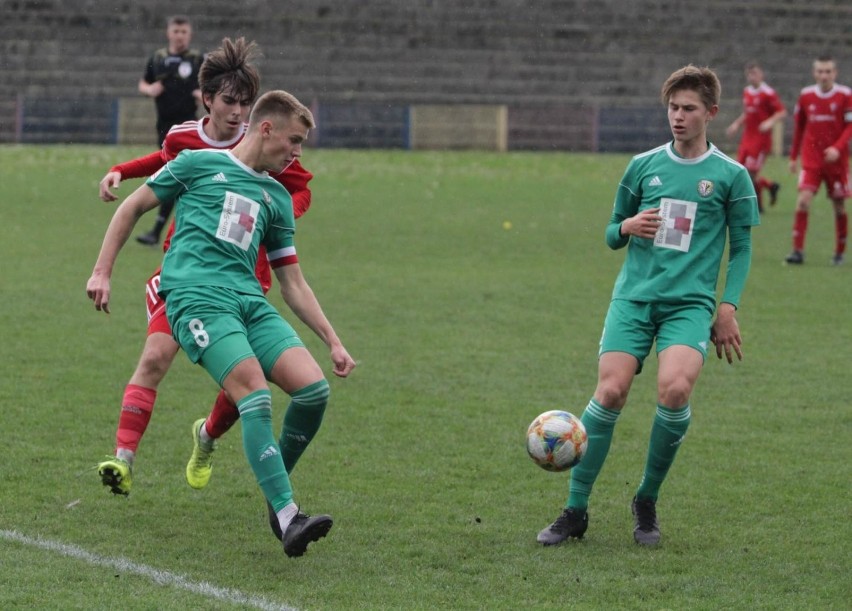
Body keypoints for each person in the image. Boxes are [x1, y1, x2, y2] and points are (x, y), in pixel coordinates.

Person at [87, 90, 356, 558]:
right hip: (196, 299)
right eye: (294, 140)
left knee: (313, 391)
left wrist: (333, 340)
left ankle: (279, 499)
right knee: (254, 394)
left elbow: (292, 281)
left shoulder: (274, 194)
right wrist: (102, 270)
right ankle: (290, 515)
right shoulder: (196, 165)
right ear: (266, 128)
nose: (298, 153)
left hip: (249, 301)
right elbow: (130, 208)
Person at [536, 65, 759, 547]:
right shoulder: (642, 165)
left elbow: (740, 247)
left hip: (689, 304)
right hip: (634, 299)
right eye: (673, 108)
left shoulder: (731, 176)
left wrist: (728, 307)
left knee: (675, 389)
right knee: (611, 391)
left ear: (711, 113)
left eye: (689, 109)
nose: (678, 117)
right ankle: (575, 510)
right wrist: (626, 227)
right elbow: (610, 233)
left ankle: (647, 499)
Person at [95, 38, 313, 507]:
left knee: (245, 387)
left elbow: (298, 190)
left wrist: (267, 217)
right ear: (207, 99)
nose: (237, 113)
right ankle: (123, 458)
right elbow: (164, 165)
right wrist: (121, 170)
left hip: (247, 280)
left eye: (244, 103)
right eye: (229, 102)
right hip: (187, 275)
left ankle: (208, 436)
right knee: (156, 355)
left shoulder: (265, 143)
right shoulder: (185, 140)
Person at [136, 15, 205, 246]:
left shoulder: (198, 60)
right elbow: (143, 83)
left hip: (188, 127)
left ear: (190, 34)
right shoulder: (158, 58)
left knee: (175, 176)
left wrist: (203, 95)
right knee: (175, 177)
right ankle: (168, 231)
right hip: (164, 127)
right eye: (176, 31)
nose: (180, 36)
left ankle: (159, 231)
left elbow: (212, 88)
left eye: (184, 32)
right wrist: (149, 89)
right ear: (169, 33)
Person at [784, 55, 852, 266]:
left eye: (828, 71)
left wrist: (837, 148)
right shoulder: (805, 96)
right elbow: (799, 128)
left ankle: (839, 253)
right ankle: (797, 251)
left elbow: (850, 126)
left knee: (839, 206)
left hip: (837, 162)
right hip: (812, 159)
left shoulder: (845, 95)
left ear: (835, 73)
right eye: (820, 71)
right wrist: (793, 157)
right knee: (803, 201)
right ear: (815, 73)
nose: (824, 75)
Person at [725, 60, 787, 214]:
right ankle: (770, 186)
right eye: (749, 74)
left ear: (761, 75)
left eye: (755, 73)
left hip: (761, 140)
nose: (752, 77)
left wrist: (769, 122)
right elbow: (748, 113)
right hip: (748, 137)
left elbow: (782, 112)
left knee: (750, 173)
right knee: (740, 171)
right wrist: (736, 124)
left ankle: (758, 206)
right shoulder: (747, 92)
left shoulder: (768, 93)